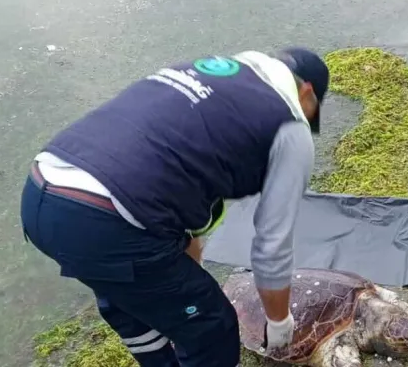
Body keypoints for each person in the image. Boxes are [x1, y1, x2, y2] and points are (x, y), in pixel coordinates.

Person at [19, 47, 329, 366]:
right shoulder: (290, 127)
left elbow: (183, 213)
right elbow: (272, 246)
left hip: (42, 190)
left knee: (134, 299)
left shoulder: (212, 80)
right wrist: (279, 326)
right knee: (212, 327)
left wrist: (187, 284)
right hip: (105, 217)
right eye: (312, 111)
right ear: (307, 92)